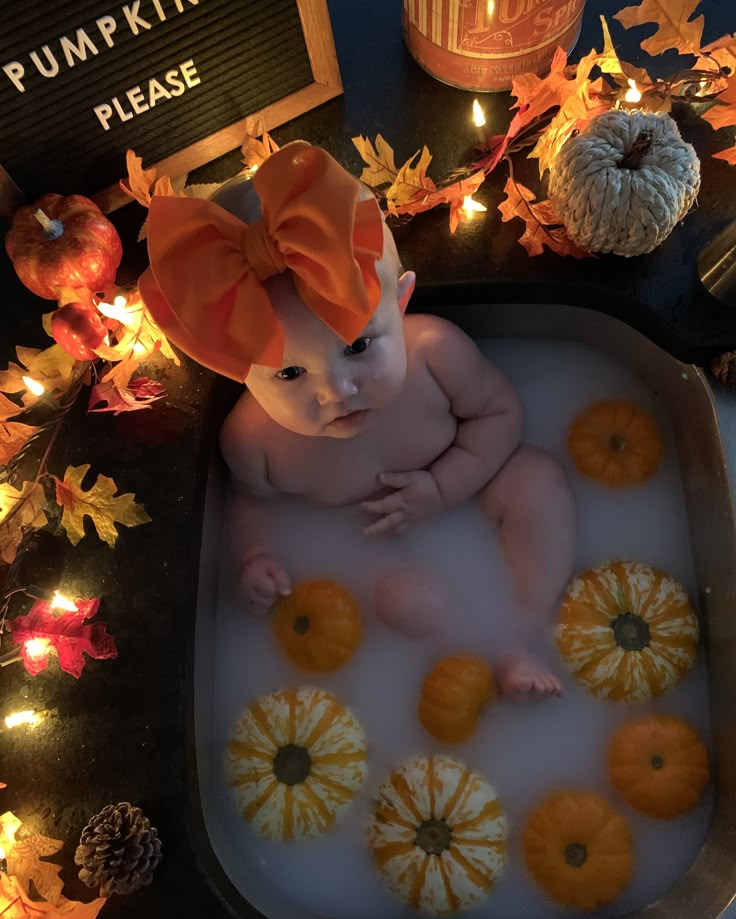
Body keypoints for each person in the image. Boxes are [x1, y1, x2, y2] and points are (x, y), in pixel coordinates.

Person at [139, 141, 575, 701]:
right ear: (239, 372)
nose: (336, 390)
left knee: (537, 482)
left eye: (358, 345)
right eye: (291, 374)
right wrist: (254, 558)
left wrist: (445, 487)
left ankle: (526, 627)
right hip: (371, 544)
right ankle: (478, 659)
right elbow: (252, 504)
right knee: (403, 600)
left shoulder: (435, 353)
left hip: (474, 486)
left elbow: (499, 415)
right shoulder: (253, 443)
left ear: (402, 301)